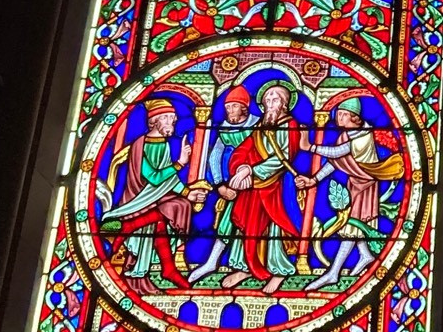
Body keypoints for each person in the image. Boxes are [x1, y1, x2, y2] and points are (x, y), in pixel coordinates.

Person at [101, 96, 206, 293]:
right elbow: (154, 178)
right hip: (138, 198)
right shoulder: (139, 145)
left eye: (173, 120)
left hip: (155, 198)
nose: (172, 123)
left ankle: (164, 268)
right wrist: (180, 163)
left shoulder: (165, 144)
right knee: (170, 211)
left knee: (178, 207)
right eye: (168, 118)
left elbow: (169, 181)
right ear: (154, 120)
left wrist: (187, 192)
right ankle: (157, 269)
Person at [302, 95, 405, 290]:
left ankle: (333, 272)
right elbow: (335, 164)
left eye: (342, 115)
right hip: (354, 184)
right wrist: (313, 179)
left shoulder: (363, 135)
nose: (338, 118)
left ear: (354, 117)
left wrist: (311, 147)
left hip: (364, 186)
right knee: (356, 228)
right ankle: (365, 255)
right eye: (338, 114)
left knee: (351, 228)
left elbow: (337, 153)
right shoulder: (346, 135)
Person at [216, 79, 309, 291]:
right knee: (247, 225)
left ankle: (279, 270)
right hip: (252, 185)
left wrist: (253, 170)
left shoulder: (289, 125)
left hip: (276, 184)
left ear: (284, 104)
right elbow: (243, 149)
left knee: (272, 227)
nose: (270, 102)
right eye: (267, 98)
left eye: (275, 98)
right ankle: (244, 266)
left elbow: (284, 157)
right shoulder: (260, 125)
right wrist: (240, 168)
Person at [185, 86, 255, 281]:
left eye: (234, 106)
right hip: (232, 185)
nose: (229, 111)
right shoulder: (225, 126)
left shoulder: (258, 125)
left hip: (257, 186)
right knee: (226, 223)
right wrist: (220, 185)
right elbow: (215, 157)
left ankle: (245, 266)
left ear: (244, 108)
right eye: (228, 107)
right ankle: (212, 262)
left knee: (249, 226)